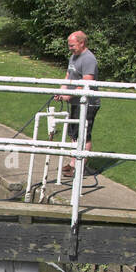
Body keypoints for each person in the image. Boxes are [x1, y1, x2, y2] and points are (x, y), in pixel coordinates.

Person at [55, 30, 99, 178]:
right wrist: (61, 91)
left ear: (82, 43)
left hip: (88, 103)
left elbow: (86, 81)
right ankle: (74, 163)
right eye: (69, 45)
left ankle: (80, 166)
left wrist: (69, 94)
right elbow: (69, 76)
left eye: (72, 45)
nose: (70, 48)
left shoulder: (88, 59)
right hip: (76, 101)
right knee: (73, 132)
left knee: (84, 134)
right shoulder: (74, 57)